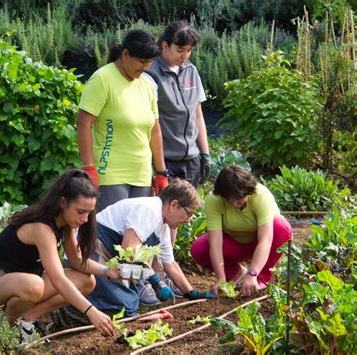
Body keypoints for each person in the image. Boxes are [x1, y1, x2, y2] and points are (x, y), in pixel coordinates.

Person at [43, 179, 215, 332]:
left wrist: (191, 293)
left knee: (129, 305)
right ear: (174, 205)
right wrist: (155, 280)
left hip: (112, 260)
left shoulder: (163, 225)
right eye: (189, 213)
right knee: (119, 308)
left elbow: (170, 264)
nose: (189, 219)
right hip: (93, 251)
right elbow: (129, 253)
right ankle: (57, 315)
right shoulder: (149, 211)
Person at [0, 169, 118, 340]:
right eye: (80, 212)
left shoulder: (66, 226)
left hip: (26, 283)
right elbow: (57, 279)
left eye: (89, 212)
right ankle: (4, 331)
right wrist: (91, 311)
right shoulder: (42, 228)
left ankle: (28, 319)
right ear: (63, 202)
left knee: (87, 281)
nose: (85, 219)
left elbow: (77, 262)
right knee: (34, 284)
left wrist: (109, 271)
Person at [77, 29, 168, 212]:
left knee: (135, 237)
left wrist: (161, 172)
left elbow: (155, 130)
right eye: (142, 62)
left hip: (141, 173)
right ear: (125, 54)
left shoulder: (147, 85)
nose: (145, 67)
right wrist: (89, 168)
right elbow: (83, 123)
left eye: (149, 62)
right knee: (111, 234)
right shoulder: (103, 78)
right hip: (111, 173)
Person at [190, 165, 293, 297]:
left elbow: (265, 240)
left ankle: (260, 277)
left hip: (259, 243)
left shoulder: (260, 195)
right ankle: (236, 274)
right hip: (234, 245)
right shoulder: (214, 199)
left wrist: (253, 273)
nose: (233, 204)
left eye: (238, 201)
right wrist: (221, 278)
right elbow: (215, 242)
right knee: (199, 248)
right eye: (229, 201)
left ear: (248, 192)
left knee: (281, 227)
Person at [146, 21, 211, 188]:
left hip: (192, 160)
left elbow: (197, 115)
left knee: (188, 211)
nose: (185, 56)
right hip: (164, 160)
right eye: (180, 50)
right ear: (165, 45)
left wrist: (205, 154)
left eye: (189, 51)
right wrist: (157, 168)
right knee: (165, 211)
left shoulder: (191, 70)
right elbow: (150, 123)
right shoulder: (150, 73)